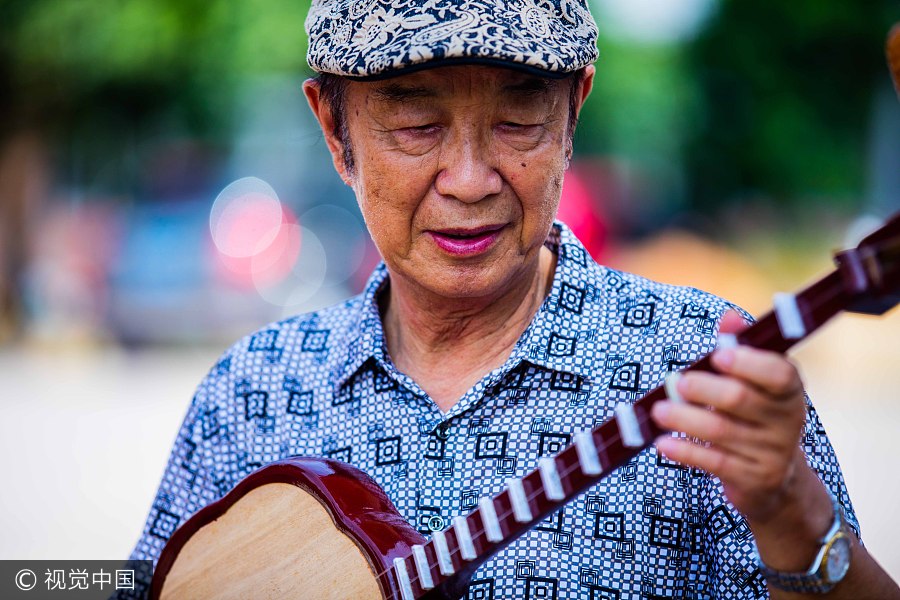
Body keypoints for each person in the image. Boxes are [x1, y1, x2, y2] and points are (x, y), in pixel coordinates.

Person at [130, 1, 899, 597]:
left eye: (517, 115)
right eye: (416, 120)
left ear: (573, 114)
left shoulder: (707, 372)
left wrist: (792, 510)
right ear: (334, 131)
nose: (469, 179)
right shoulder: (251, 392)